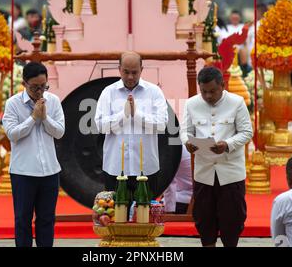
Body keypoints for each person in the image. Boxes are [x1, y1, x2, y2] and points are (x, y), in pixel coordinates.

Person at [180, 66, 253, 247]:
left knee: (233, 219)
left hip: (230, 173)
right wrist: (187, 143)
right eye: (204, 92)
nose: (208, 96)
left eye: (212, 91)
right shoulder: (191, 104)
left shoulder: (237, 102)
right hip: (204, 172)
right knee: (204, 219)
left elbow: (246, 132)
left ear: (223, 85)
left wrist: (227, 144)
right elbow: (185, 131)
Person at [2, 62, 65, 247]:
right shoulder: (13, 104)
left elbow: (60, 132)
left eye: (43, 86)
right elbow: (12, 134)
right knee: (22, 220)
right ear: (24, 83)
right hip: (23, 172)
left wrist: (45, 118)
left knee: (46, 219)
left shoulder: (53, 100)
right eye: (35, 87)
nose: (40, 91)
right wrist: (33, 118)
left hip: (50, 171)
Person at [95, 52, 168, 202]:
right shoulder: (108, 92)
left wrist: (137, 114)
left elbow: (162, 124)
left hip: (146, 167)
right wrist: (123, 115)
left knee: (144, 219)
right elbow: (100, 126)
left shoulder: (154, 92)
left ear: (142, 69)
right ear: (119, 69)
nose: (130, 77)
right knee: (115, 218)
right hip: (115, 167)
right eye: (126, 72)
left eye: (134, 72)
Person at [163, 146, 192, 214]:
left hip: (180, 202)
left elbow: (169, 182)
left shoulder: (171, 149)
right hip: (195, 198)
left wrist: (168, 211)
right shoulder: (177, 146)